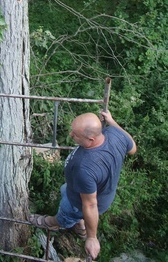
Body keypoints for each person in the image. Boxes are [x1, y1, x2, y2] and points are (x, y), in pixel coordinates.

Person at [30, 110, 137, 260]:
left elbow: (90, 205)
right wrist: (112, 122)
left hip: (81, 202)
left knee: (66, 213)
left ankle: (52, 223)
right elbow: (133, 148)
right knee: (64, 190)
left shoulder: (85, 168)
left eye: (75, 135)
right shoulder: (114, 133)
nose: (71, 135)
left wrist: (92, 238)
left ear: (91, 139)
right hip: (86, 191)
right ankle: (81, 226)